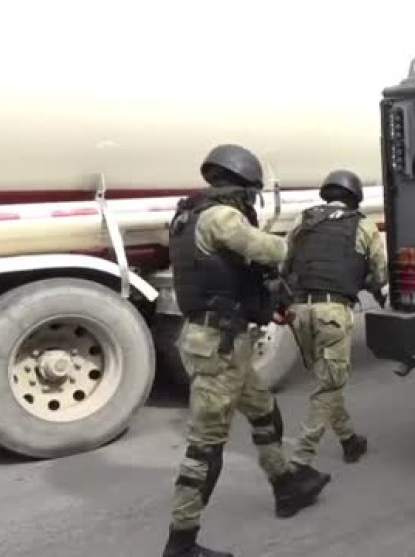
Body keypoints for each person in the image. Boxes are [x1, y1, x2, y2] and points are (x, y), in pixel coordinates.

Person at [162, 144, 330, 557]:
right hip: (217, 347)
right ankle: (181, 543)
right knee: (206, 446)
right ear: (242, 184)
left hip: (225, 343)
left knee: (263, 411)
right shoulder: (220, 217)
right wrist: (303, 237)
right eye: (252, 193)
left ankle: (286, 486)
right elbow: (269, 250)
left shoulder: (189, 214)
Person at [282, 169, 388, 469]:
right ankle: (301, 461)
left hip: (299, 312)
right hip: (332, 314)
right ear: (355, 197)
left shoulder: (302, 220)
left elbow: (284, 262)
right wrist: (366, 283)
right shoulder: (362, 225)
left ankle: (349, 439)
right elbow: (380, 274)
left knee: (328, 379)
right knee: (328, 387)